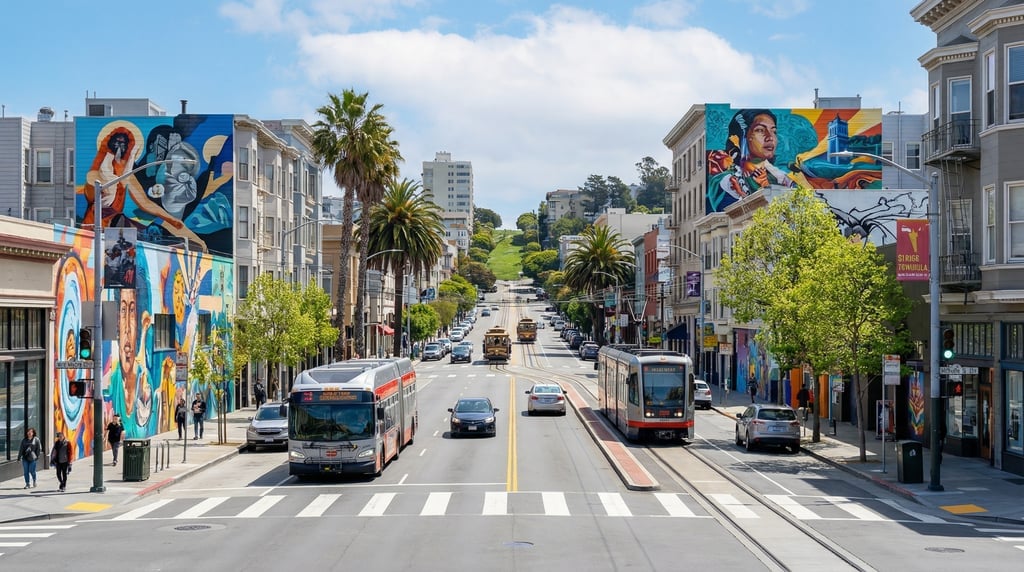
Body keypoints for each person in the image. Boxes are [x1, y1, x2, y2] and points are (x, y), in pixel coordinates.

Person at [707, 109, 799, 212]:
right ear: (741, 138)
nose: (770, 137)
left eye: (774, 131)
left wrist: (766, 185)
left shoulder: (781, 177)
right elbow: (738, 217)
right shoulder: (725, 181)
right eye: (760, 130)